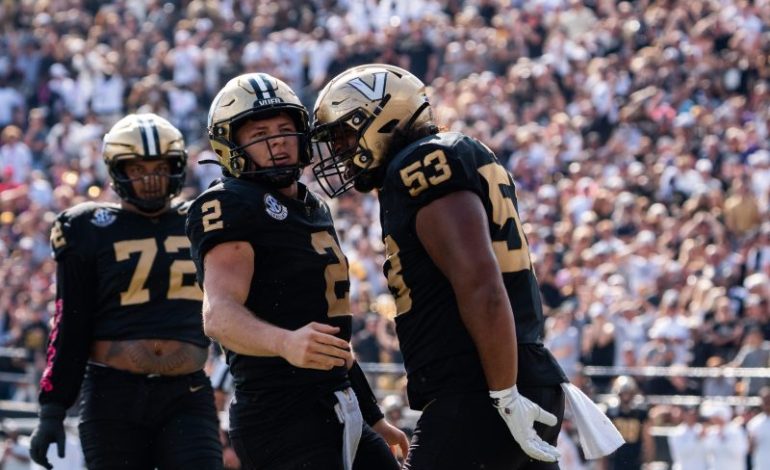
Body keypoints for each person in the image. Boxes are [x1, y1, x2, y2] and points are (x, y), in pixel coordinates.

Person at [311, 63, 567, 469]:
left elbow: (480, 284)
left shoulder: (423, 163)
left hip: (481, 385)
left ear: (384, 116)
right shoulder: (444, 157)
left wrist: (503, 393)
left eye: (345, 132)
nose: (341, 150)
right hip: (510, 374)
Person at [186, 72, 408, 470]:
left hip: (335, 402)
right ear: (230, 145)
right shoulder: (229, 202)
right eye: (260, 134)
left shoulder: (312, 205)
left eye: (285, 130)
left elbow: (330, 338)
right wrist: (284, 342)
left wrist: (373, 416)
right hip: (280, 415)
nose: (277, 142)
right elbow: (218, 315)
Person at [29, 113, 222, 469]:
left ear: (177, 167)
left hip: (186, 392)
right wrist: (52, 408)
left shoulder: (202, 219)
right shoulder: (87, 226)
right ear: (117, 170)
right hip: (112, 394)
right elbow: (70, 323)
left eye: (160, 167)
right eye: (137, 169)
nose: (150, 178)